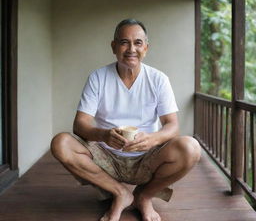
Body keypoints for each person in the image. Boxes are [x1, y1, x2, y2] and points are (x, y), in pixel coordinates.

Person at [51, 19, 201, 221]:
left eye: (138, 43)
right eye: (124, 42)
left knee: (191, 147)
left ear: (146, 48)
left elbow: (172, 126)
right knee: (61, 143)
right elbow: (80, 124)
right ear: (114, 47)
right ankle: (120, 193)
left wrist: (153, 139)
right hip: (106, 156)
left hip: (146, 156)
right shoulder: (98, 77)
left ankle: (144, 196)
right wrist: (104, 135)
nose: (131, 49)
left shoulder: (158, 79)